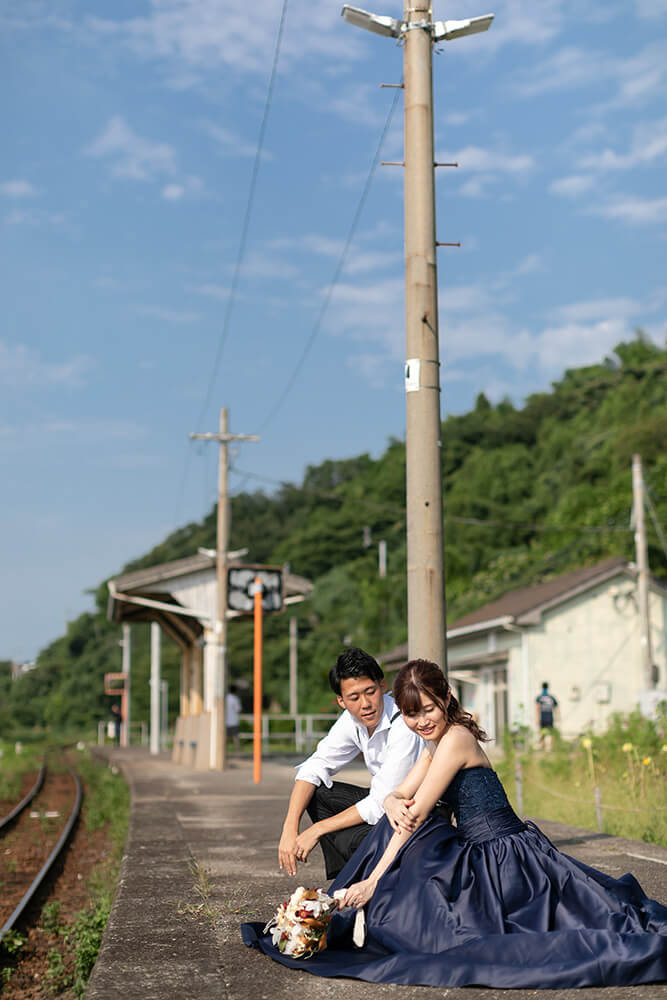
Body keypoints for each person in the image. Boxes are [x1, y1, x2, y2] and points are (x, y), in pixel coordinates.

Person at [244, 659, 667, 988]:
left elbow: (413, 814)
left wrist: (374, 879)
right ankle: (348, 905)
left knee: (437, 903)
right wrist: (390, 799)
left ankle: (357, 900)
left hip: (504, 855)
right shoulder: (434, 741)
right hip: (475, 848)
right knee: (405, 848)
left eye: (427, 709)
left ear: (445, 698)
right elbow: (399, 795)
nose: (421, 720)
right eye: (411, 714)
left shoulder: (456, 740)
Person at [277, 647, 423, 879]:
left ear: (382, 686)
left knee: (348, 841)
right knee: (315, 793)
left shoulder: (403, 723)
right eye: (354, 698)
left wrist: (317, 829)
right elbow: (314, 766)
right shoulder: (352, 720)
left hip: (416, 813)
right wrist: (289, 828)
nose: (365, 704)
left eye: (370, 692)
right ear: (341, 701)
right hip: (386, 807)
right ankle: (354, 872)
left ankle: (364, 875)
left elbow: (381, 802)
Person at [536, 680, 559, 749]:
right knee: (551, 732)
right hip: (550, 717)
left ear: (542, 687)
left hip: (543, 717)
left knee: (542, 732)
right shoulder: (551, 697)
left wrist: (537, 719)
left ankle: (543, 746)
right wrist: (556, 717)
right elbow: (555, 708)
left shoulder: (540, 697)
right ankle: (552, 746)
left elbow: (537, 708)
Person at [226, 683, 242, 752]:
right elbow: (238, 709)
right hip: (234, 720)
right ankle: (237, 750)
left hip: (226, 720)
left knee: (226, 737)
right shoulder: (235, 699)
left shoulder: (226, 698)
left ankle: (224, 750)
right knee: (235, 737)